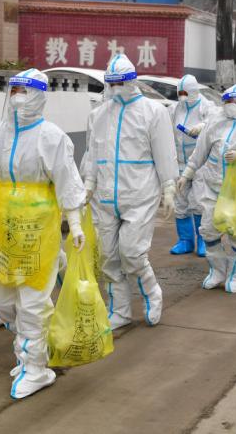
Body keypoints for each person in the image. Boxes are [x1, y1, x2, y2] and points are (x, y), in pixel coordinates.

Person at [0, 68, 86, 399]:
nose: (19, 98)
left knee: (33, 301)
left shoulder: (52, 137)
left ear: (40, 97)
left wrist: (76, 223)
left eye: (26, 92)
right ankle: (28, 349)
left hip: (39, 229)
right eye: (15, 91)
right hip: (3, 228)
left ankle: (36, 367)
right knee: (1, 299)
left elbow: (68, 181)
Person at [82, 54, 178, 330]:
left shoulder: (153, 112)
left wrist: (168, 187)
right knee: (108, 257)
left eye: (118, 84)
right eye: (109, 84)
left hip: (139, 193)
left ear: (131, 81)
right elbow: (93, 152)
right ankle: (120, 310)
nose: (113, 90)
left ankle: (151, 292)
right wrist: (88, 183)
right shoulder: (98, 114)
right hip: (104, 195)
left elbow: (164, 152)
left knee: (132, 253)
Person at [178, 84, 236, 292]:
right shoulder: (216, 121)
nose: (230, 106)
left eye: (234, 102)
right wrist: (187, 173)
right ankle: (217, 270)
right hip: (212, 184)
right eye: (227, 102)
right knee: (209, 230)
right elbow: (201, 150)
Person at [169, 74, 213, 257]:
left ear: (194, 91)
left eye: (186, 92)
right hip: (179, 161)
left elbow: (216, 123)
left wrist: (202, 127)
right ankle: (185, 240)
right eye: (180, 93)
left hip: (200, 163)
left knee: (198, 202)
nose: (182, 96)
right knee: (180, 202)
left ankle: (203, 240)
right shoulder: (174, 109)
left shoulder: (206, 106)